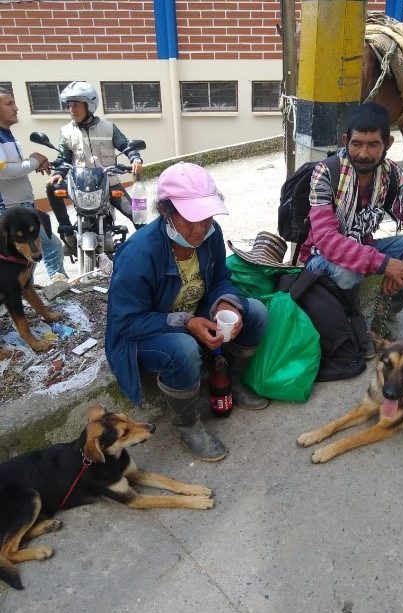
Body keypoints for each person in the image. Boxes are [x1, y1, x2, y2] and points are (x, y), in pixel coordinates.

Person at [105, 162, 269, 462]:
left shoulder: (210, 234)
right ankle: (187, 423)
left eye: (206, 217)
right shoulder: (138, 254)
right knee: (183, 348)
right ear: (167, 213)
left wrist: (226, 303)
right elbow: (127, 321)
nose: (200, 228)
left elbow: (221, 279)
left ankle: (230, 382)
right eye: (190, 219)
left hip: (192, 312)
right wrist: (187, 322)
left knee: (255, 311)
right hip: (144, 330)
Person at [300, 102, 403, 355]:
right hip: (318, 259)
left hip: (363, 248)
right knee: (347, 271)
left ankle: (382, 322)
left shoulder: (392, 176)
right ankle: (349, 325)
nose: (363, 154)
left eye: (373, 144)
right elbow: (327, 240)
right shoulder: (326, 173)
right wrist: (385, 264)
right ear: (346, 141)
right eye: (356, 144)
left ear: (387, 143)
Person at [46, 81, 143, 248]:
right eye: (69, 106)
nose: (71, 110)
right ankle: (67, 230)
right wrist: (58, 174)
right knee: (52, 188)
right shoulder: (66, 131)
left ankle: (146, 253)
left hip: (109, 183)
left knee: (138, 217)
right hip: (80, 185)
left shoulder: (108, 128)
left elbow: (126, 145)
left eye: (76, 105)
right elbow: (63, 157)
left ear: (88, 105)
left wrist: (135, 158)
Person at [0, 87, 67, 282]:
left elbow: (14, 167)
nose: (16, 108)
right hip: (10, 211)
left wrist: (33, 163)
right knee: (49, 246)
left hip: (21, 206)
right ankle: (58, 284)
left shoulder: (8, 135)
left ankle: (28, 290)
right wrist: (33, 162)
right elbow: (3, 170)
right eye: (9, 103)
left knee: (28, 256)